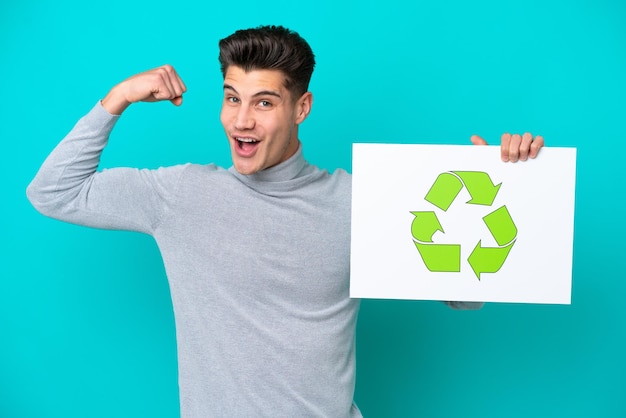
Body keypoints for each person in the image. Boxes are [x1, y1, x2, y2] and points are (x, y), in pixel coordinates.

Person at [27, 25, 544, 417]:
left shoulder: (360, 201)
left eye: (265, 102)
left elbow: (464, 295)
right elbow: (52, 192)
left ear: (302, 108)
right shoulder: (181, 194)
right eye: (232, 99)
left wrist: (505, 185)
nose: (242, 120)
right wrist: (117, 99)